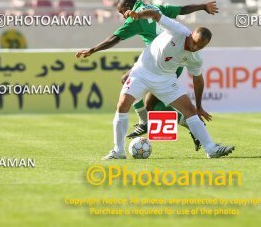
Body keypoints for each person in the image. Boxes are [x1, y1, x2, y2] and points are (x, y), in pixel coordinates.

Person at [75, 0, 218, 150]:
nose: (123, 16)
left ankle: (154, 122)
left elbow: (114, 38)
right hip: (171, 60)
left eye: (122, 12)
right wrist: (203, 6)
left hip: (164, 65)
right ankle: (167, 121)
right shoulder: (156, 8)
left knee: (145, 99)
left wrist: (92, 50)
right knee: (147, 100)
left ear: (128, 8)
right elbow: (182, 9)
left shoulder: (134, 19)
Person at [101, 8, 235, 159]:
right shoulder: (178, 30)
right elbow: (155, 14)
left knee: (190, 111)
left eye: (200, 47)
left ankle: (211, 149)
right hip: (142, 72)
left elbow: (197, 79)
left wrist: (199, 106)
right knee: (122, 105)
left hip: (165, 80)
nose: (195, 48)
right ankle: (118, 151)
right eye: (195, 43)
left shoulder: (196, 57)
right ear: (191, 35)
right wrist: (138, 15)